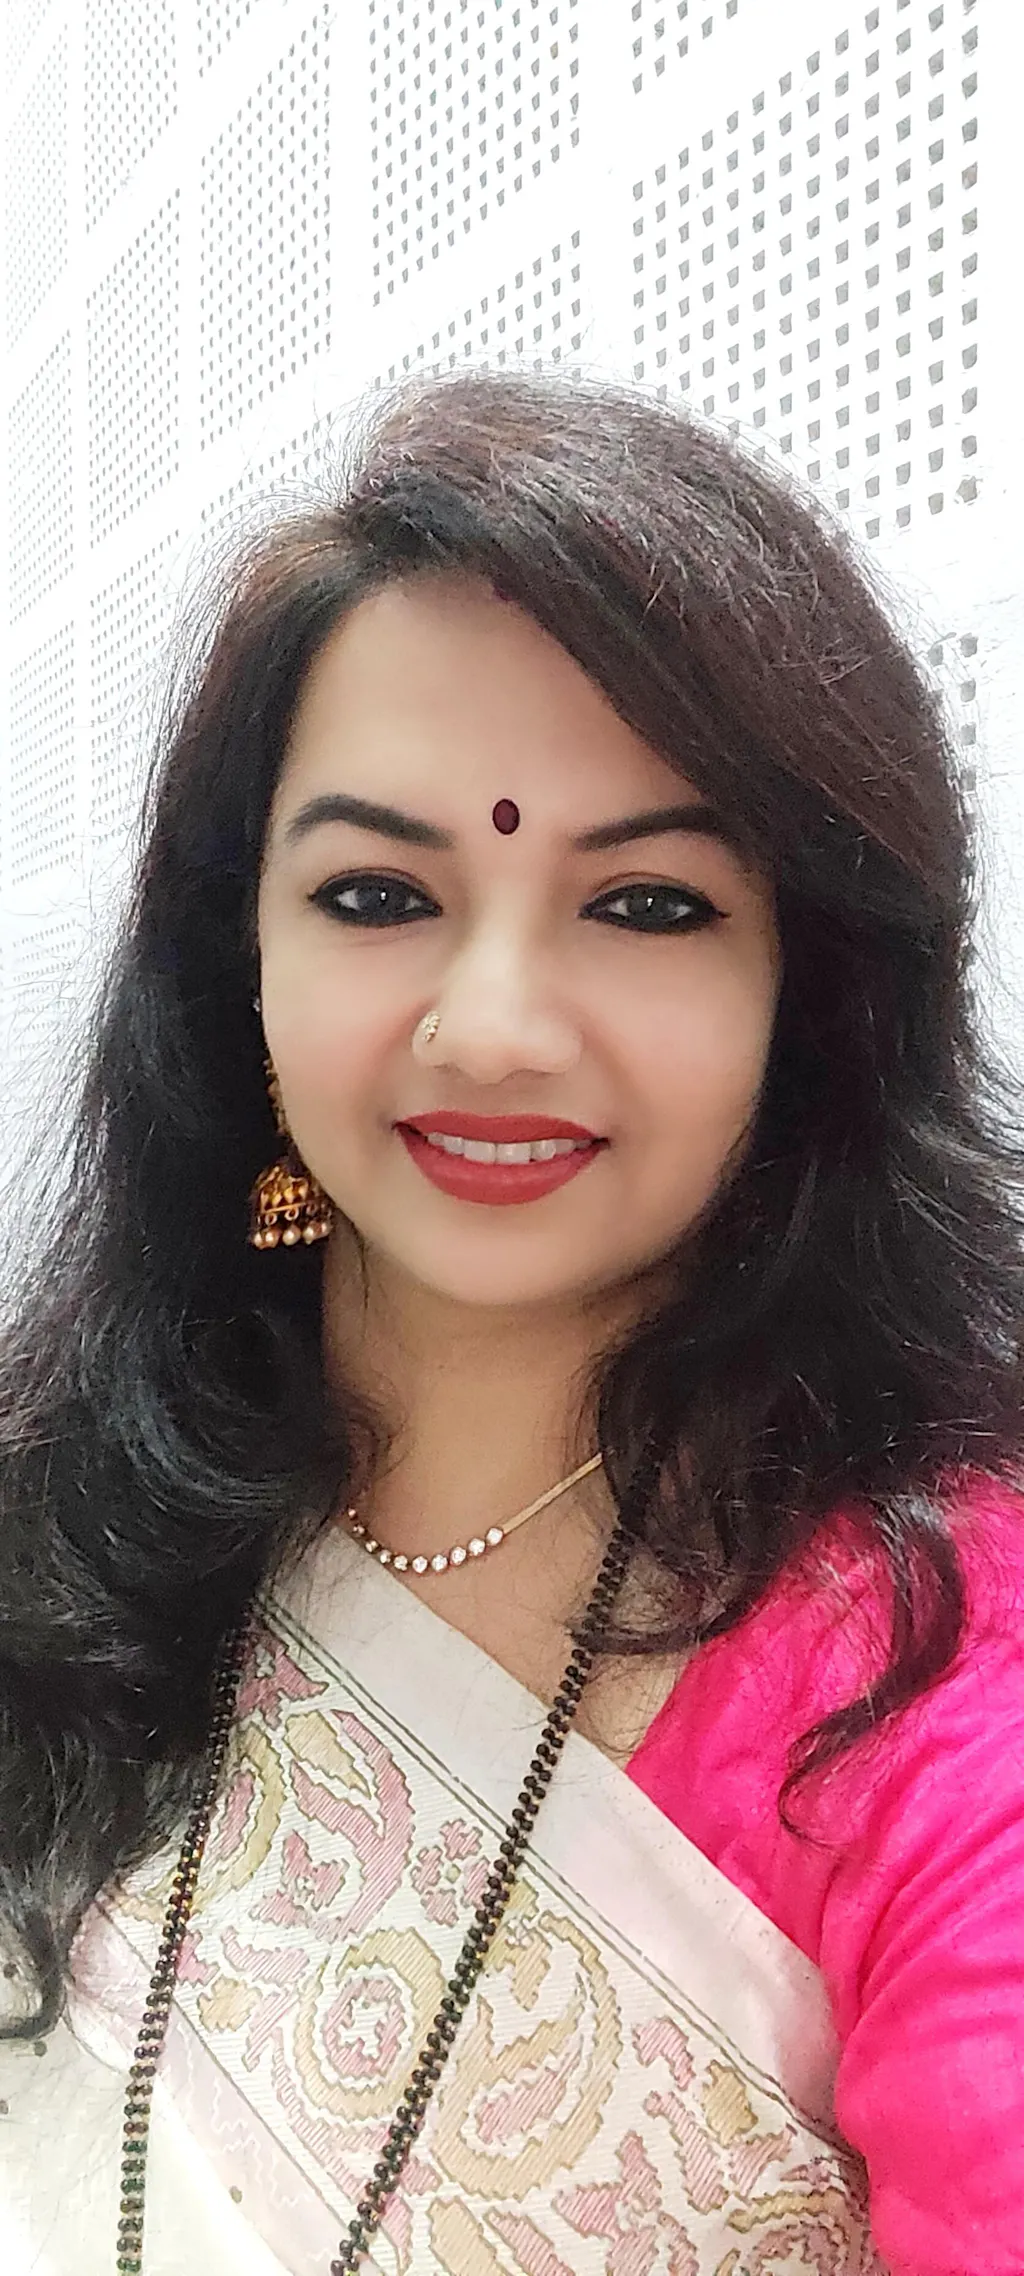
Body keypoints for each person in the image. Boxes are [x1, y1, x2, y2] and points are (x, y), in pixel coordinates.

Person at [0, 367, 1022, 2276]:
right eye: (378, 890)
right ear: (237, 957)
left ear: (814, 990)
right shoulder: (75, 1494)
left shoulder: (945, 1697)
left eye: (646, 904)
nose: (490, 1028)